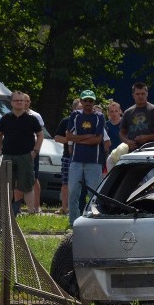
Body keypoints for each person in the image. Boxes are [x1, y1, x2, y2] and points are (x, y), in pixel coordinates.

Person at [0, 91, 43, 215]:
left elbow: (40, 135)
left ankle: (31, 212)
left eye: (22, 100)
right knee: (7, 185)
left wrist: (35, 151)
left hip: (25, 156)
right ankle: (8, 212)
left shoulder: (31, 119)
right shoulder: (5, 118)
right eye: (17, 100)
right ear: (11, 103)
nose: (20, 103)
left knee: (27, 185)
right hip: (8, 155)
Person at [66, 90, 105, 226]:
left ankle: (92, 221)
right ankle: (73, 222)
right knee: (73, 193)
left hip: (94, 161)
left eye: (91, 101)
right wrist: (88, 136)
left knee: (93, 194)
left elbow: (98, 140)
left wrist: (79, 139)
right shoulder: (75, 115)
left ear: (93, 102)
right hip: (76, 160)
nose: (88, 103)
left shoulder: (99, 116)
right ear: (81, 102)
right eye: (85, 100)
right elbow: (69, 137)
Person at [54, 98, 82, 216]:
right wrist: (70, 139)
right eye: (80, 108)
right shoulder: (66, 121)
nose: (82, 110)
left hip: (83, 157)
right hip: (68, 156)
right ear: (74, 109)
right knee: (66, 182)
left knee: (81, 184)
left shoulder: (90, 121)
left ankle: (78, 208)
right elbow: (57, 137)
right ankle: (64, 208)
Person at [119, 82, 154, 150]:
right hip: (133, 151)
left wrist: (148, 137)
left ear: (147, 94)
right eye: (137, 94)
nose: (140, 96)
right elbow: (122, 133)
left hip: (151, 150)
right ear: (133, 95)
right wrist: (128, 142)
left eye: (143, 93)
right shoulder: (128, 112)